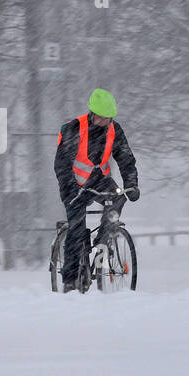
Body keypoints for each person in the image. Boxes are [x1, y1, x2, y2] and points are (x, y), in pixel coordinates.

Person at [54, 88, 139, 292]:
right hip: (73, 184)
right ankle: (70, 280)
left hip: (99, 180)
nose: (104, 122)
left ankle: (105, 237)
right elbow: (62, 164)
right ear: (92, 113)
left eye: (108, 118)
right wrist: (72, 189)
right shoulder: (74, 129)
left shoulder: (114, 130)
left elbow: (126, 159)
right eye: (101, 117)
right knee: (76, 227)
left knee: (119, 198)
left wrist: (132, 184)